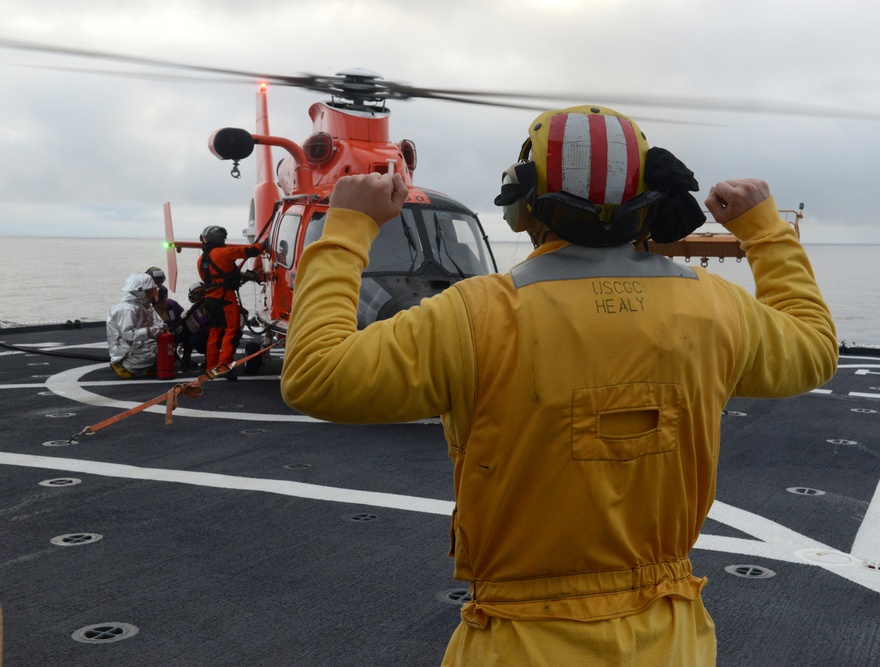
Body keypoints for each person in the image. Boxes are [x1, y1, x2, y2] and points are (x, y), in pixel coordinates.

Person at [280, 105, 838, 665]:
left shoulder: (474, 315)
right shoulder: (717, 308)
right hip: (672, 640)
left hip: (524, 642)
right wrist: (766, 233)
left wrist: (348, 226)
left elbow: (315, 375)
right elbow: (815, 350)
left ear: (522, 207)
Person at [197, 226, 264, 381]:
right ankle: (224, 364)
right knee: (231, 330)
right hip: (225, 298)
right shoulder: (224, 253)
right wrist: (263, 245)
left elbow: (210, 278)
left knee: (214, 331)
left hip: (210, 299)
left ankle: (211, 366)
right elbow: (249, 251)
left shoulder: (201, 260)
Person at [106, 272, 167, 380]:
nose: (152, 294)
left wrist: (162, 329)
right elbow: (128, 335)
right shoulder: (127, 309)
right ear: (139, 292)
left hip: (139, 343)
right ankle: (125, 366)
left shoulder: (145, 307)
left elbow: (159, 323)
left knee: (167, 345)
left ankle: (150, 366)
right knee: (156, 350)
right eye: (149, 292)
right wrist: (153, 331)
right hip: (125, 349)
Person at [176, 281, 210, 372]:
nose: (200, 297)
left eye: (202, 293)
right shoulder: (194, 310)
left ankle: (215, 357)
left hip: (218, 334)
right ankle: (186, 358)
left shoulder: (215, 306)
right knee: (187, 331)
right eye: (197, 294)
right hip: (207, 336)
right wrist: (189, 319)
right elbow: (195, 329)